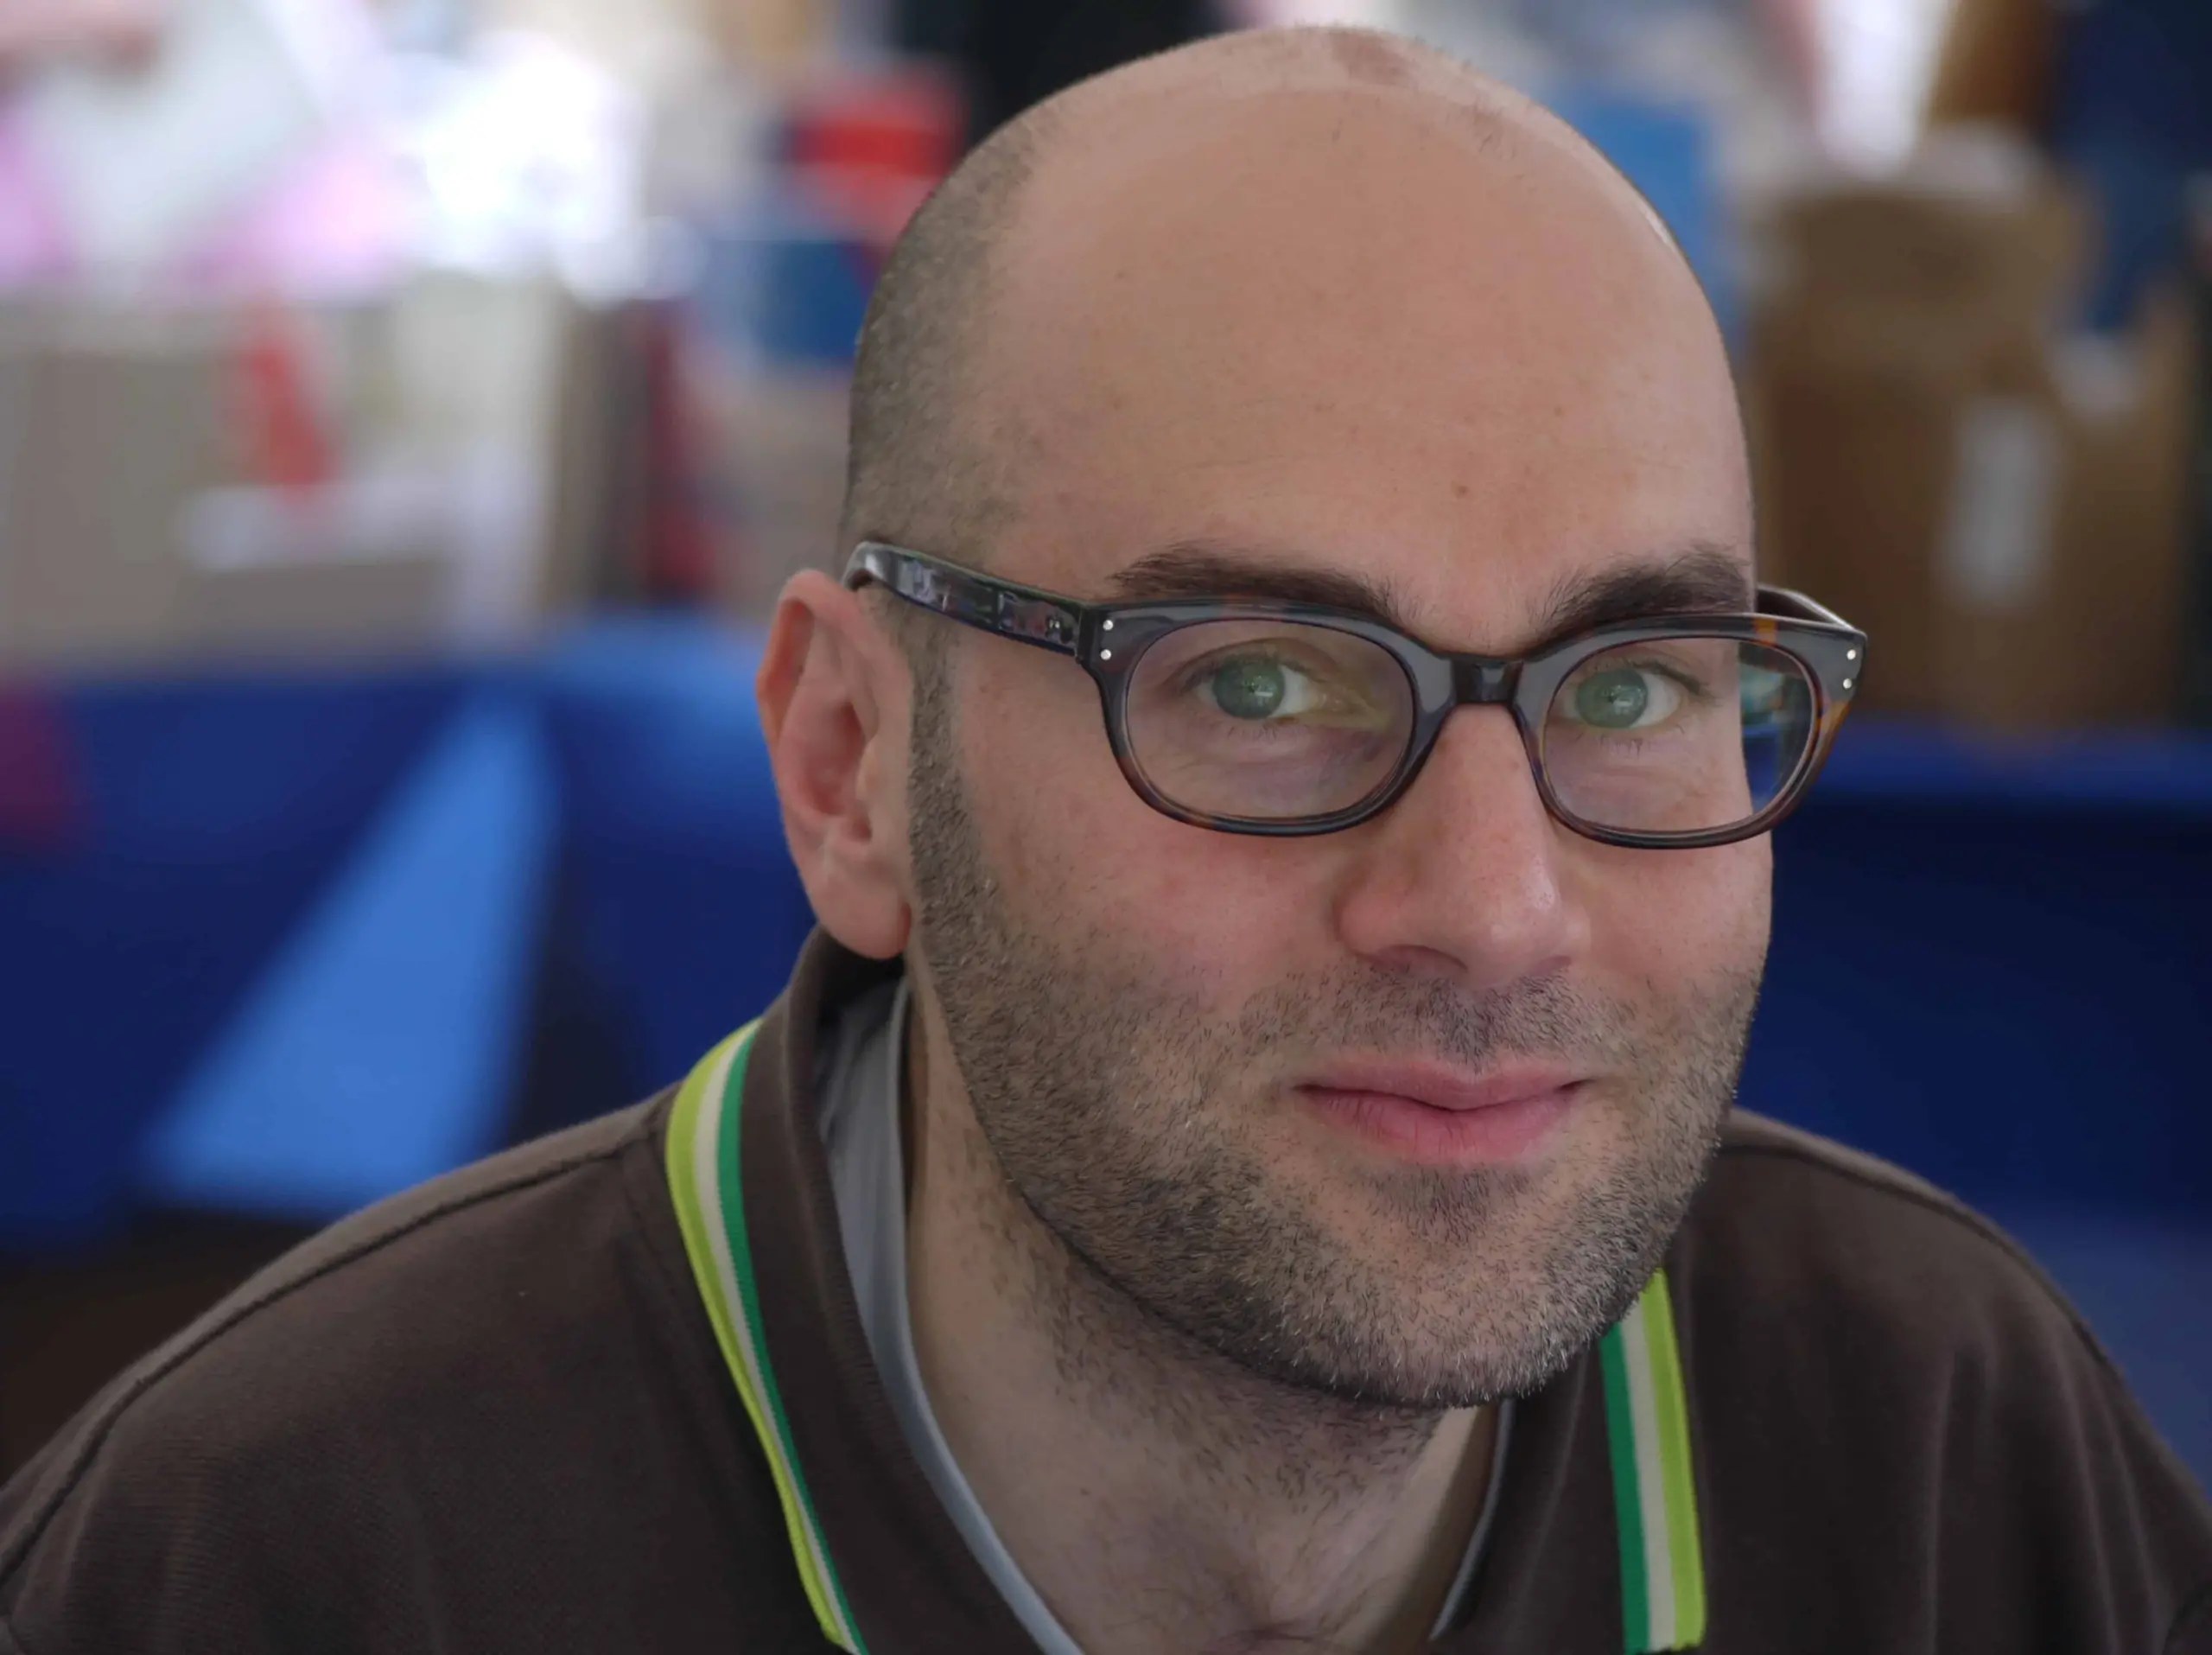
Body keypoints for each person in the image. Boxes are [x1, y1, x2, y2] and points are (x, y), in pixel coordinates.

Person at [4, 26, 2209, 1655]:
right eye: (1254, 683)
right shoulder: (282, 1560)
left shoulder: (1942, 1461)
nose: (1488, 904)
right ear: (851, 768)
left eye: (1625, 688)